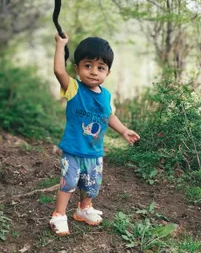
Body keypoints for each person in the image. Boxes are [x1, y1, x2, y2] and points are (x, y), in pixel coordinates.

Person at [49, 33, 140, 236]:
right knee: (69, 182)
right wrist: (61, 44)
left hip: (94, 152)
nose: (93, 72)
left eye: (100, 68)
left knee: (91, 185)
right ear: (77, 68)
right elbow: (57, 70)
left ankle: (83, 209)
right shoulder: (74, 89)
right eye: (87, 65)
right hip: (73, 150)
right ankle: (59, 215)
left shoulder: (106, 95)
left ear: (107, 73)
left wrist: (124, 130)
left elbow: (108, 116)